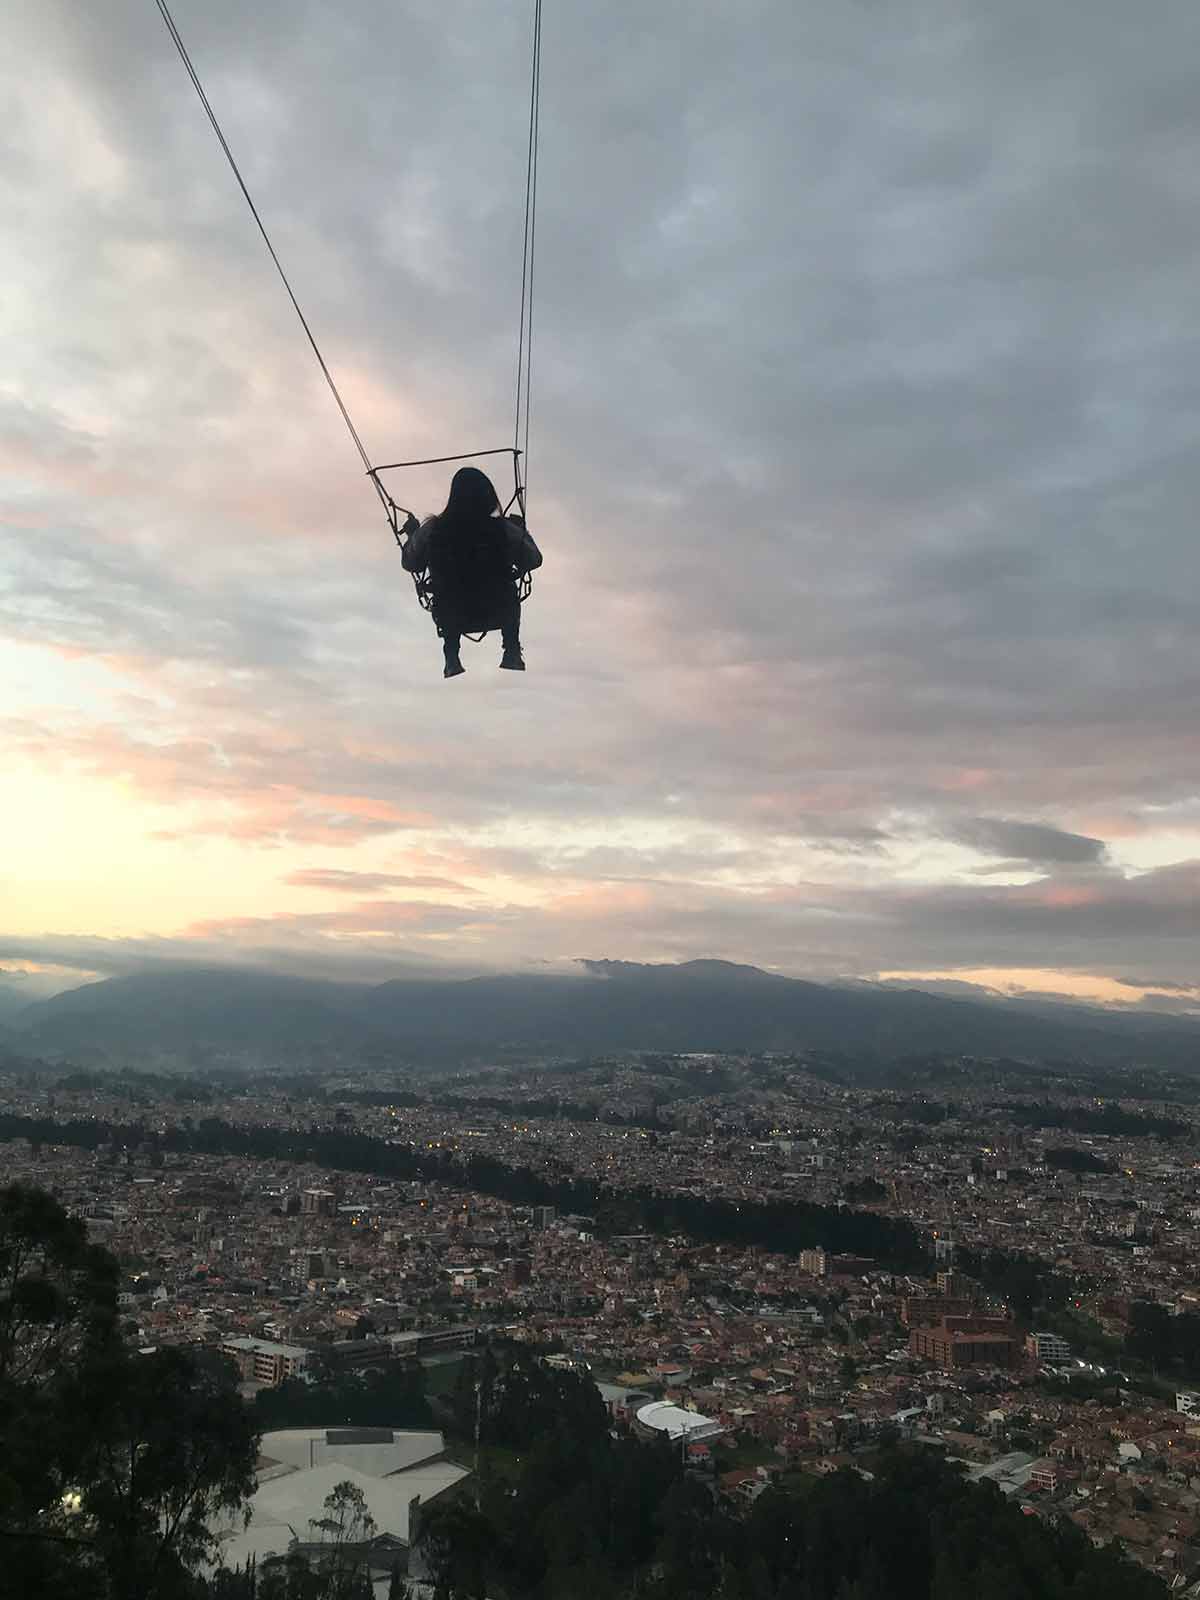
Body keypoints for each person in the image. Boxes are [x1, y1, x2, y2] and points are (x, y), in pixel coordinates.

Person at [401, 466, 542, 677]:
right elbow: (533, 559)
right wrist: (522, 531)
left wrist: (412, 535)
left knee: (449, 595)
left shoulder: (432, 530)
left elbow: (411, 563)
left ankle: (451, 653)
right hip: (497, 608)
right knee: (505, 591)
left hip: (453, 613)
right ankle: (511, 648)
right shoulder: (503, 529)